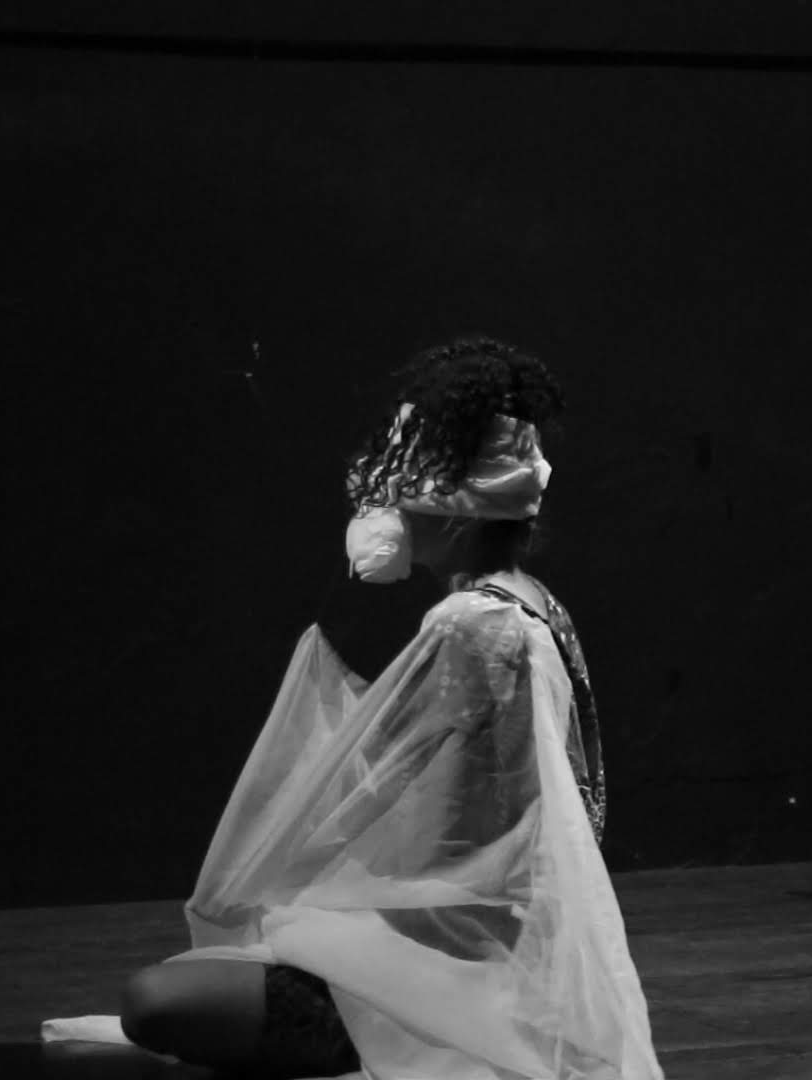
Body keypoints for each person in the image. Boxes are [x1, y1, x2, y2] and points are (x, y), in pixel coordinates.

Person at [44, 337, 663, 1078]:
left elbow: (418, 811)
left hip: (455, 956)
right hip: (488, 934)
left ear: (453, 512)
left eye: (404, 498)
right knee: (211, 975)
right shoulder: (535, 606)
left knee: (155, 1002)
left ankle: (387, 1034)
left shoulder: (472, 625)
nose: (388, 513)